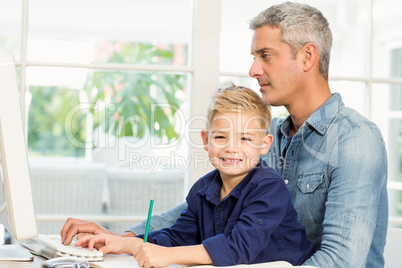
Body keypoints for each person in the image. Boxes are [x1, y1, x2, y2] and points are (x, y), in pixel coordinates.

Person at [61, 2, 388, 267]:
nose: (253, 70)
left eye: (265, 55)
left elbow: (341, 261)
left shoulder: (355, 140)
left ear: (307, 56)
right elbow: (198, 213)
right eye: (254, 57)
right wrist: (126, 238)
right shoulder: (267, 137)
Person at [74, 86, 313, 267]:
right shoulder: (203, 189)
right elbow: (178, 236)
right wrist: (125, 244)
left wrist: (165, 256)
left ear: (264, 144)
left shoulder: (268, 188)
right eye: (221, 137)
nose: (232, 148)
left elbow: (239, 247)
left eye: (245, 138)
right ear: (206, 140)